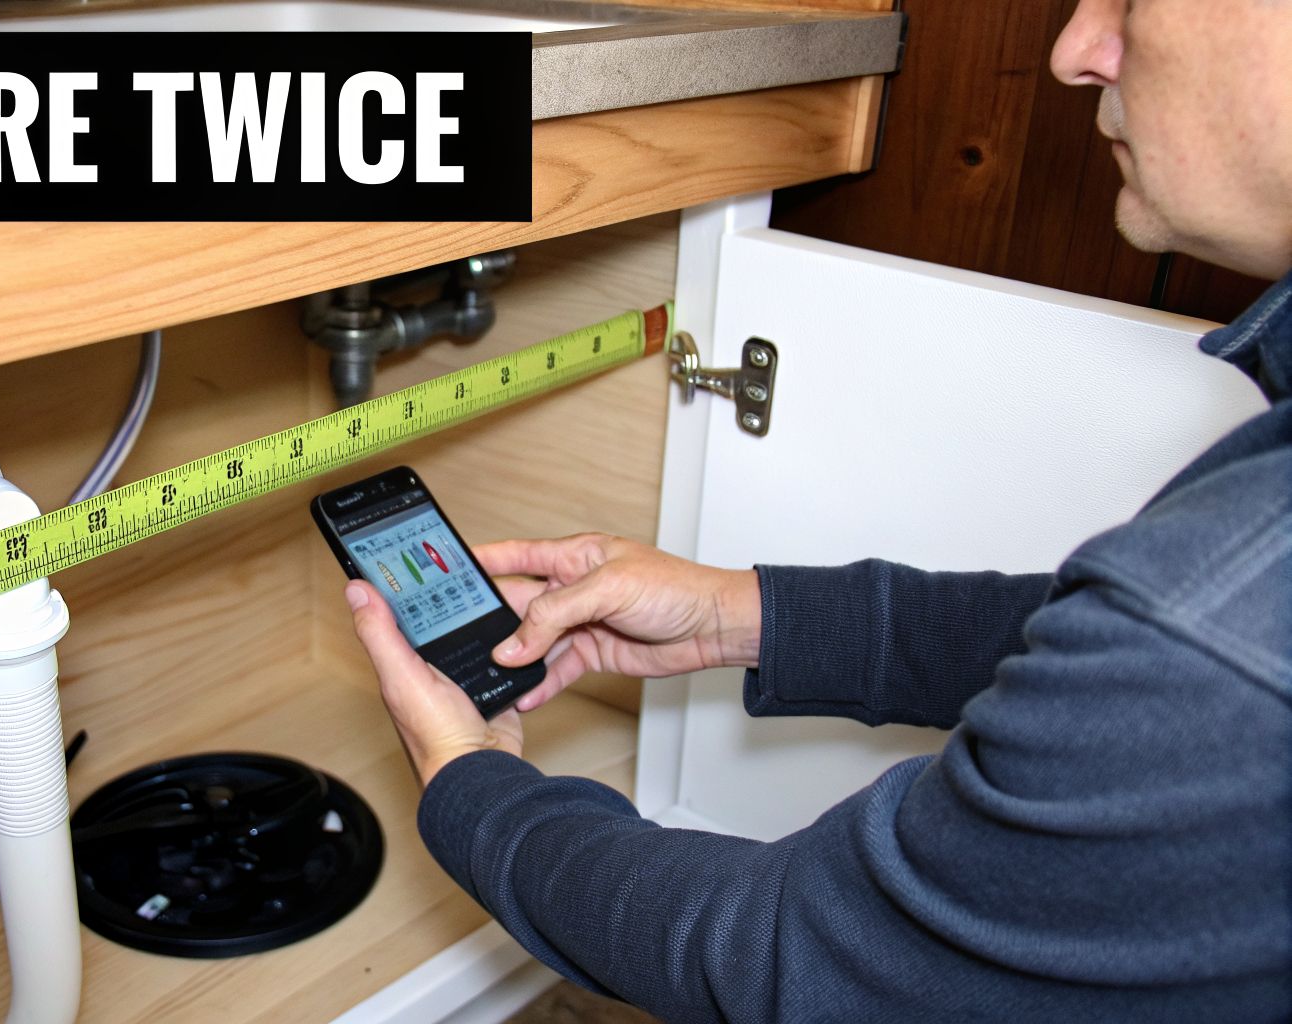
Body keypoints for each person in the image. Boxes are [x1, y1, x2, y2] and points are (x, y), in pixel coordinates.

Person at [340, 0, 1292, 1019]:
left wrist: (470, 784)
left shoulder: (1205, 634)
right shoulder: (1205, 624)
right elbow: (1099, 661)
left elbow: (782, 955)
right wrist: (737, 614)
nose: (1072, 50)